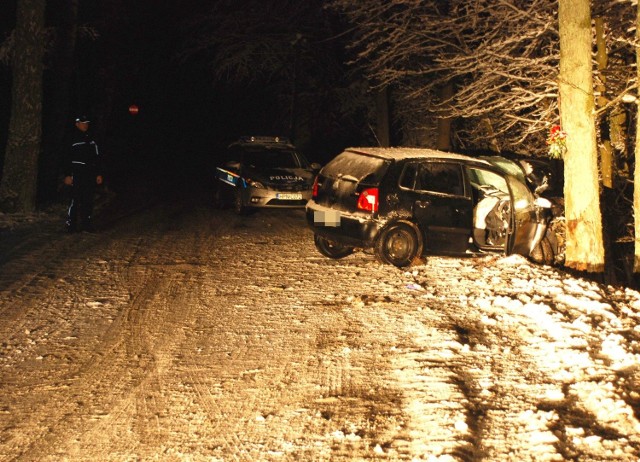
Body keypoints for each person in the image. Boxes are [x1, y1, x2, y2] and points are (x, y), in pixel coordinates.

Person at [64, 115, 103, 233]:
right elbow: (65, 157)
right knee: (75, 199)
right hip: (76, 172)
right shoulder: (71, 138)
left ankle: (87, 224)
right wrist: (67, 174)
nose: (85, 125)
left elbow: (97, 158)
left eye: (86, 122)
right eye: (82, 122)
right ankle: (71, 224)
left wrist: (98, 173)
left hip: (89, 173)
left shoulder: (91, 139)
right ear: (77, 124)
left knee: (88, 199)